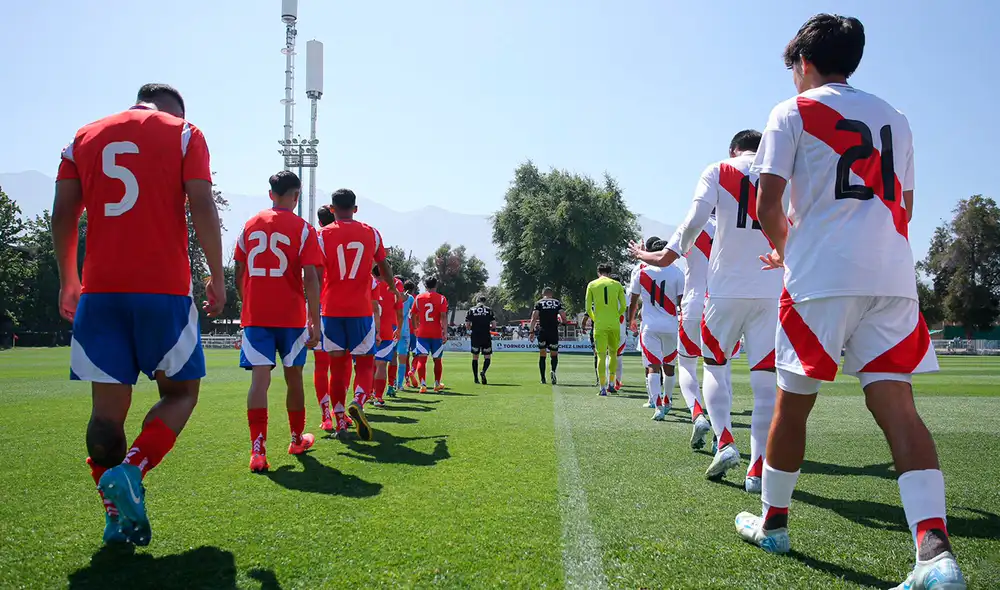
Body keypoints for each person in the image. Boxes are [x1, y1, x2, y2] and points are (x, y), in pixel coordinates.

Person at [732, 14, 966, 590]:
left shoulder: (790, 112)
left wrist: (788, 251)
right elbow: (905, 204)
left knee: (793, 405)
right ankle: (935, 556)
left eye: (792, 67)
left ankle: (774, 523)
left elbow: (766, 206)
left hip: (819, 279)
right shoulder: (897, 117)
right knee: (900, 410)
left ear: (804, 63)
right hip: (892, 276)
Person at [52, 83, 224, 545]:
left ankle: (115, 517)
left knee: (106, 417)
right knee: (181, 394)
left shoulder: (82, 137)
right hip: (162, 290)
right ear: (172, 110)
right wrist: (217, 274)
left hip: (100, 293)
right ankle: (132, 470)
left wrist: (69, 279)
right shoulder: (184, 133)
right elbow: (202, 203)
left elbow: (63, 214)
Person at [634, 129, 781, 491]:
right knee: (765, 383)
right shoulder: (782, 172)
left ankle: (725, 440)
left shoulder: (718, 170)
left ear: (733, 149)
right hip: (770, 290)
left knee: (713, 367)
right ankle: (757, 469)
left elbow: (694, 219)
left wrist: (662, 254)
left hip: (723, 292)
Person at [235, 171, 322, 472]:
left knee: (259, 381)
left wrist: (247, 301)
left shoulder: (249, 225)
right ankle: (296, 440)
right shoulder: (304, 229)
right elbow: (310, 277)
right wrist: (315, 319)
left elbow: (238, 270)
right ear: (296, 196)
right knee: (293, 377)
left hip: (256, 314)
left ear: (270, 193)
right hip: (290, 316)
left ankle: (258, 451)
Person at [318, 188, 394, 441]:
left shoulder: (322, 235)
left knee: (337, 369)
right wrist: (393, 287)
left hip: (331, 310)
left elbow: (314, 273)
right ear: (356, 208)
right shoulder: (371, 233)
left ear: (332, 209)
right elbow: (383, 265)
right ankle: (359, 400)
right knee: (365, 363)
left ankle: (340, 422)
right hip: (360, 310)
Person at [627, 240, 685, 421]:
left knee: (653, 366)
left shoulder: (642, 272)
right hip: (671, 325)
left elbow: (633, 301)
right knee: (669, 367)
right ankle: (668, 401)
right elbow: (681, 303)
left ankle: (658, 406)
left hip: (650, 326)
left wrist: (631, 320)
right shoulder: (678, 272)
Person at [312, 204, 337, 432]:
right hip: (344, 308)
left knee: (321, 366)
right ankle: (341, 413)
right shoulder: (348, 233)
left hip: (319, 306)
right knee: (341, 364)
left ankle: (326, 415)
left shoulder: (315, 237)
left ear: (320, 222)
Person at [585, 263, 627, 396]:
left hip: (600, 325)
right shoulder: (617, 285)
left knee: (601, 355)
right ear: (609, 273)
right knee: (613, 354)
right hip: (614, 324)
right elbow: (623, 306)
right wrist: (616, 316)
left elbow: (588, 308)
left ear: (598, 273)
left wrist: (595, 318)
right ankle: (611, 384)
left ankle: (602, 387)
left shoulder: (592, 284)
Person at [370, 266, 402, 407]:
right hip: (386, 331)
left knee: (365, 365)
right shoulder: (393, 289)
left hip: (367, 330)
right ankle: (378, 397)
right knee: (382, 364)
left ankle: (364, 395)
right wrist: (399, 329)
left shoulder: (368, 285)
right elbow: (400, 314)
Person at [412, 277, 449, 392]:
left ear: (425, 285)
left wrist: (415, 328)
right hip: (436, 333)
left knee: (422, 360)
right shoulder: (441, 298)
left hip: (422, 333)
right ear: (436, 285)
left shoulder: (419, 298)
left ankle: (423, 384)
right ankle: (437, 384)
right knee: (437, 359)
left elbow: (413, 314)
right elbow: (443, 316)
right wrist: (445, 332)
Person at [528, 287, 567, 384]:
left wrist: (531, 332)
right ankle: (553, 371)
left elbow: (534, 318)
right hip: (553, 331)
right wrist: (563, 323)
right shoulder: (557, 303)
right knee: (554, 354)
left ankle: (543, 378)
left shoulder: (539, 303)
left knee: (542, 354)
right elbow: (563, 316)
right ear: (551, 294)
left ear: (543, 294)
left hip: (543, 331)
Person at [465, 295, 497, 384]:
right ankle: (483, 371)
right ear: (484, 301)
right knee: (487, 356)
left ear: (477, 301)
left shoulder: (471, 310)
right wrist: (487, 327)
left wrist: (473, 328)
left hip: (475, 335)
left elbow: (467, 325)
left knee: (475, 357)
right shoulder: (489, 310)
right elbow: (494, 325)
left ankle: (476, 378)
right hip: (486, 335)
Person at [394, 280, 417, 392]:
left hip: (393, 330)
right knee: (402, 359)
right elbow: (414, 314)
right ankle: (399, 384)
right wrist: (416, 327)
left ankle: (392, 383)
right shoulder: (410, 299)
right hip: (405, 331)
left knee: (392, 359)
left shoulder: (392, 297)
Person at [386, 275, 406, 398]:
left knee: (373, 357)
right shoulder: (397, 283)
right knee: (393, 356)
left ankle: (371, 391)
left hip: (373, 322)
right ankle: (391, 385)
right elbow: (400, 301)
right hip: (391, 325)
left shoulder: (372, 279)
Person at [610, 274, 628, 391]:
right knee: (619, 357)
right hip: (620, 329)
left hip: (607, 327)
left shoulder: (605, 294)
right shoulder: (624, 295)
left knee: (609, 356)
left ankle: (609, 383)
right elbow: (629, 308)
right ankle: (617, 382)